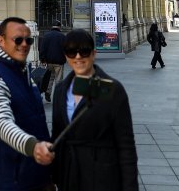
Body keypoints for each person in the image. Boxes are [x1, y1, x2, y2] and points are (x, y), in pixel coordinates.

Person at [51, 29, 138, 191]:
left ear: (93, 53)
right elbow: (57, 135)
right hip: (69, 178)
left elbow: (126, 146)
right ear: (65, 56)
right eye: (71, 52)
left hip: (102, 178)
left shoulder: (111, 89)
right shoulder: (61, 89)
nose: (77, 57)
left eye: (83, 51)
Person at [0, 17, 54, 190]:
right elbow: (2, 122)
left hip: (34, 174)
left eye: (29, 39)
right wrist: (33, 147)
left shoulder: (23, 71)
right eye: (18, 39)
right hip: (10, 179)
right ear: (1, 40)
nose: (24, 44)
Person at [39, 20, 66, 102]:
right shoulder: (62, 36)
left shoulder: (46, 36)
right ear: (59, 27)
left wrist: (42, 59)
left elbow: (42, 49)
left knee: (50, 78)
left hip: (48, 61)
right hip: (59, 62)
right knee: (59, 80)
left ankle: (48, 92)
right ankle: (58, 96)